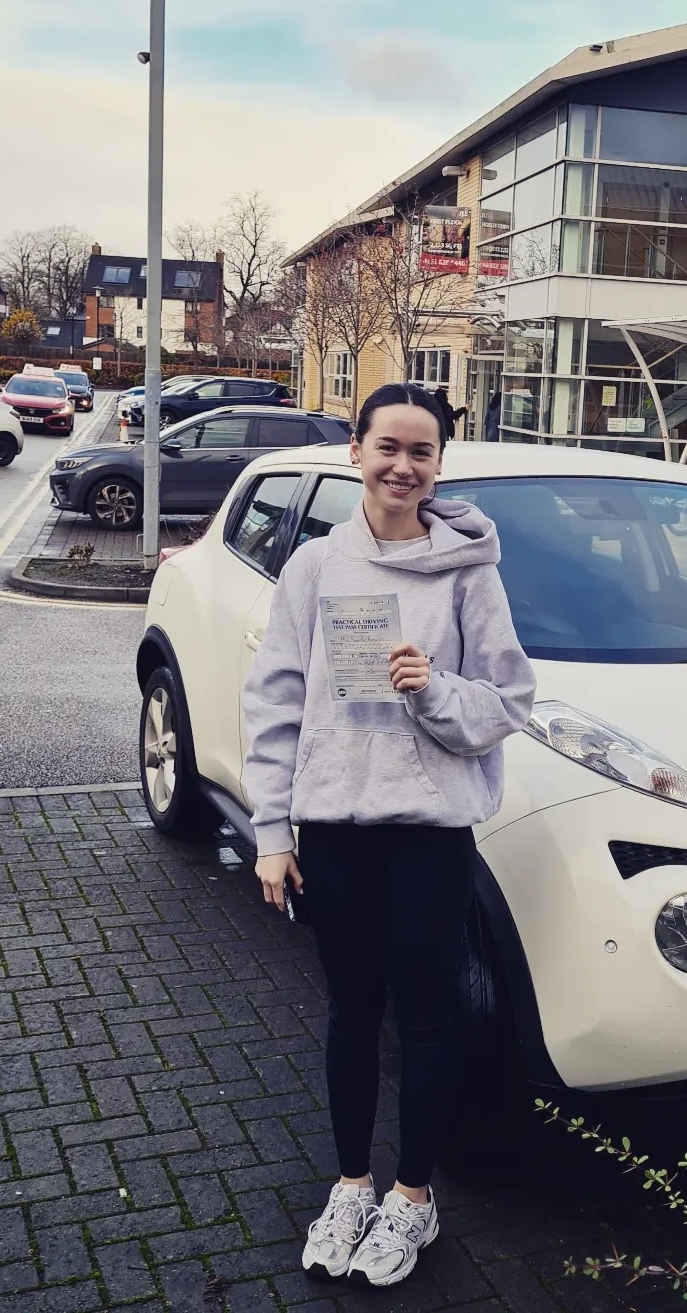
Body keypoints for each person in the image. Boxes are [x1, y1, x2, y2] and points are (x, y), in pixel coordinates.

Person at [241, 382, 536, 1289]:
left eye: (422, 452)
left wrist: (433, 687)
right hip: (335, 827)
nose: (403, 466)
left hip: (429, 835)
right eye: (387, 448)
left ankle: (413, 1198)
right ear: (355, 453)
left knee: (429, 1018)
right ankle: (351, 1186)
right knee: (350, 1014)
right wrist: (271, 832)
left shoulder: (468, 572)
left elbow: (512, 701)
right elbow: (275, 700)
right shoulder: (315, 568)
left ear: (440, 465)